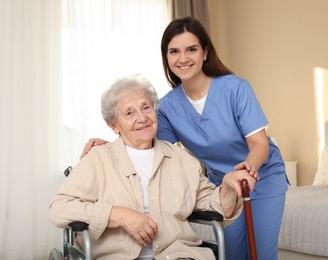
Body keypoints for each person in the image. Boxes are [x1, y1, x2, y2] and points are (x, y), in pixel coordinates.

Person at [81, 17, 288, 260]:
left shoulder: (235, 88)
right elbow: (148, 143)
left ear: (205, 52)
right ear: (166, 58)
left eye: (192, 49)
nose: (183, 58)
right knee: (233, 253)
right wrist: (109, 145)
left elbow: (259, 144)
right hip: (223, 186)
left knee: (261, 253)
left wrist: (246, 170)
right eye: (174, 51)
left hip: (261, 175)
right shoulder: (168, 107)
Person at [49, 74, 257, 260]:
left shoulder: (180, 158)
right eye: (129, 113)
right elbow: (59, 208)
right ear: (113, 125)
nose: (142, 118)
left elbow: (215, 206)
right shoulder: (98, 159)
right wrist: (119, 215)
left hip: (177, 255)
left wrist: (229, 187)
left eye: (146, 107)